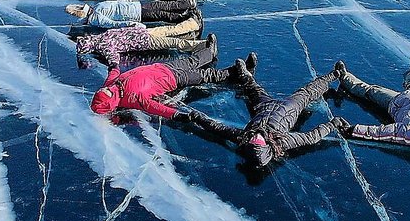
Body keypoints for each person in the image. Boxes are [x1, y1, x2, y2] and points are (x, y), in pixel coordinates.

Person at [187, 60, 345, 167]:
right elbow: (311, 137)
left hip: (264, 107)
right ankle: (336, 74)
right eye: (259, 142)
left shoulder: (244, 137)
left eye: (253, 141)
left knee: (253, 89)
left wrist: (196, 117)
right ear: (267, 146)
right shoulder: (283, 141)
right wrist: (332, 124)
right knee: (308, 92)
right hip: (289, 108)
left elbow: (217, 128)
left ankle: (244, 72)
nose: (256, 137)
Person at [90, 47, 255, 119]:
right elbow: (154, 107)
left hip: (162, 67)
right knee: (204, 75)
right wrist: (175, 114)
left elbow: (113, 74)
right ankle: (238, 72)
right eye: (108, 94)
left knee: (190, 61)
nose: (108, 90)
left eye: (105, 90)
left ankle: (209, 52)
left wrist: (114, 65)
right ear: (111, 103)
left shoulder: (111, 85)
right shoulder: (132, 99)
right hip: (172, 80)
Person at [74, 21, 210, 69]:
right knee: (170, 30)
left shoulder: (103, 46)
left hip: (143, 41)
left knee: (173, 42)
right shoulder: (102, 35)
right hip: (142, 32)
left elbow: (113, 58)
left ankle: (201, 45)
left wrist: (113, 66)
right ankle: (192, 24)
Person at [65, 0, 198, 29]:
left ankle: (185, 13)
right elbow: (112, 21)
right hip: (135, 10)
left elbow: (113, 20)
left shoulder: (95, 15)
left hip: (135, 11)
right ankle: (186, 8)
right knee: (162, 9)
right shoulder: (97, 11)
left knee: (162, 11)